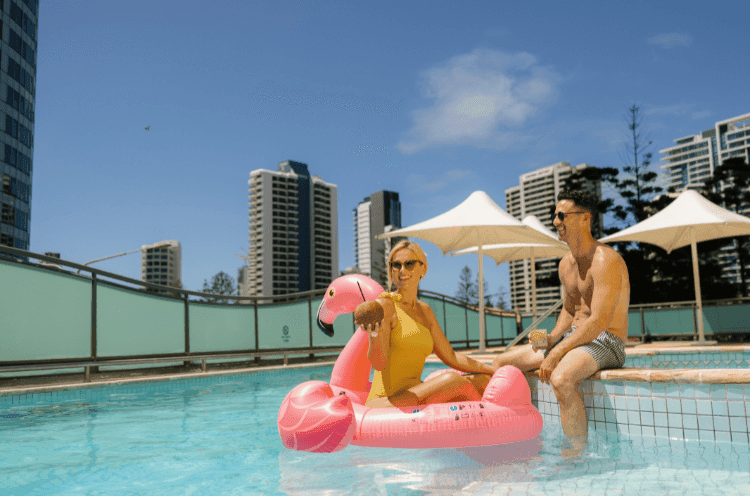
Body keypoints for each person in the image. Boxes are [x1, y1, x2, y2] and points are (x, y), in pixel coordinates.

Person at [492, 189, 630, 451]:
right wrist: (553, 338)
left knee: (561, 379)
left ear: (584, 218)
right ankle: (516, 432)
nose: (556, 221)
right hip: (574, 340)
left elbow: (599, 321)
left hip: (606, 342)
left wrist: (557, 353)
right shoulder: (566, 264)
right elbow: (569, 311)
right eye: (554, 216)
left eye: (562, 215)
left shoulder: (605, 260)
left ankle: (576, 451)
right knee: (501, 363)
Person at [356, 240, 498, 408]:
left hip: (415, 392)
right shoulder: (385, 305)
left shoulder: (425, 311)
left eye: (409, 264)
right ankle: (485, 419)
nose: (402, 270)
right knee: (453, 380)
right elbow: (379, 363)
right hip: (386, 401)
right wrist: (374, 334)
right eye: (396, 265)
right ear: (391, 270)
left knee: (483, 381)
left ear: (422, 268)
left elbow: (451, 357)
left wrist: (489, 370)